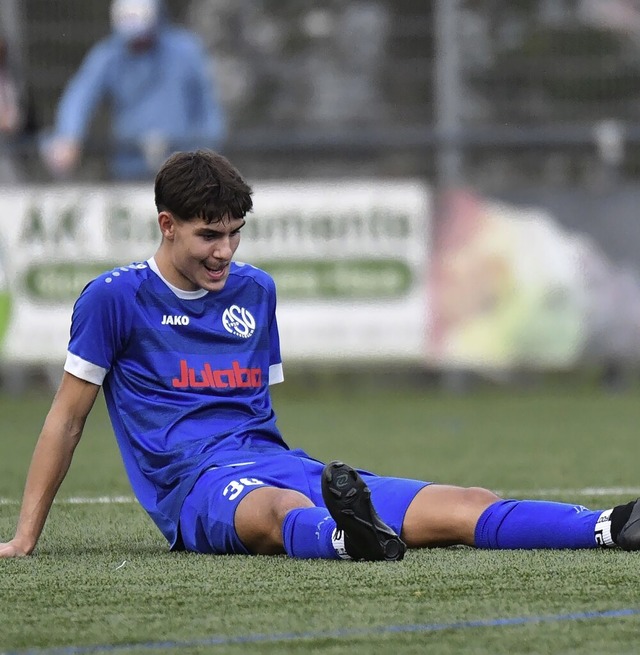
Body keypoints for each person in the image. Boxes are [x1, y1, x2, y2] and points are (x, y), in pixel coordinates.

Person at [1, 149, 639, 561]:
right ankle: (347, 537)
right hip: (196, 489)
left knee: (466, 502)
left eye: (233, 233)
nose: (225, 251)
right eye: (208, 235)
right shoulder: (113, 298)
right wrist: (25, 538)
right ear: (167, 224)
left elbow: (253, 410)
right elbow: (67, 418)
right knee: (281, 515)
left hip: (277, 462)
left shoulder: (256, 291)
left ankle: (611, 526)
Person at [42, 0, 225, 181]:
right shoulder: (109, 55)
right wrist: (69, 135)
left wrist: (209, 155)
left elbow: (208, 107)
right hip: (129, 167)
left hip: (184, 169)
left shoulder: (186, 51)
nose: (137, 44)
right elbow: (80, 95)